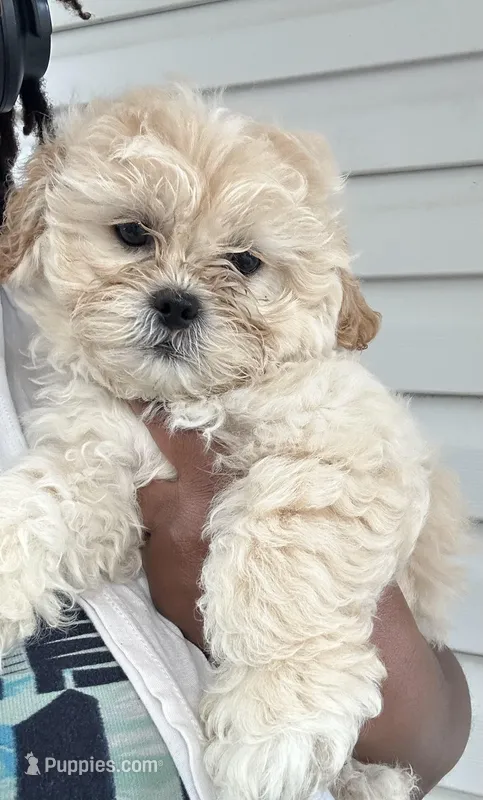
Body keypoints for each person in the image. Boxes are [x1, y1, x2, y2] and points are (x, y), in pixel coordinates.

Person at [0, 283, 472, 800]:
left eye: (242, 265)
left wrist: (287, 651)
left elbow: (433, 730)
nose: (180, 294)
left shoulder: (311, 388)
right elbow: (83, 495)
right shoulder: (64, 352)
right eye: (134, 236)